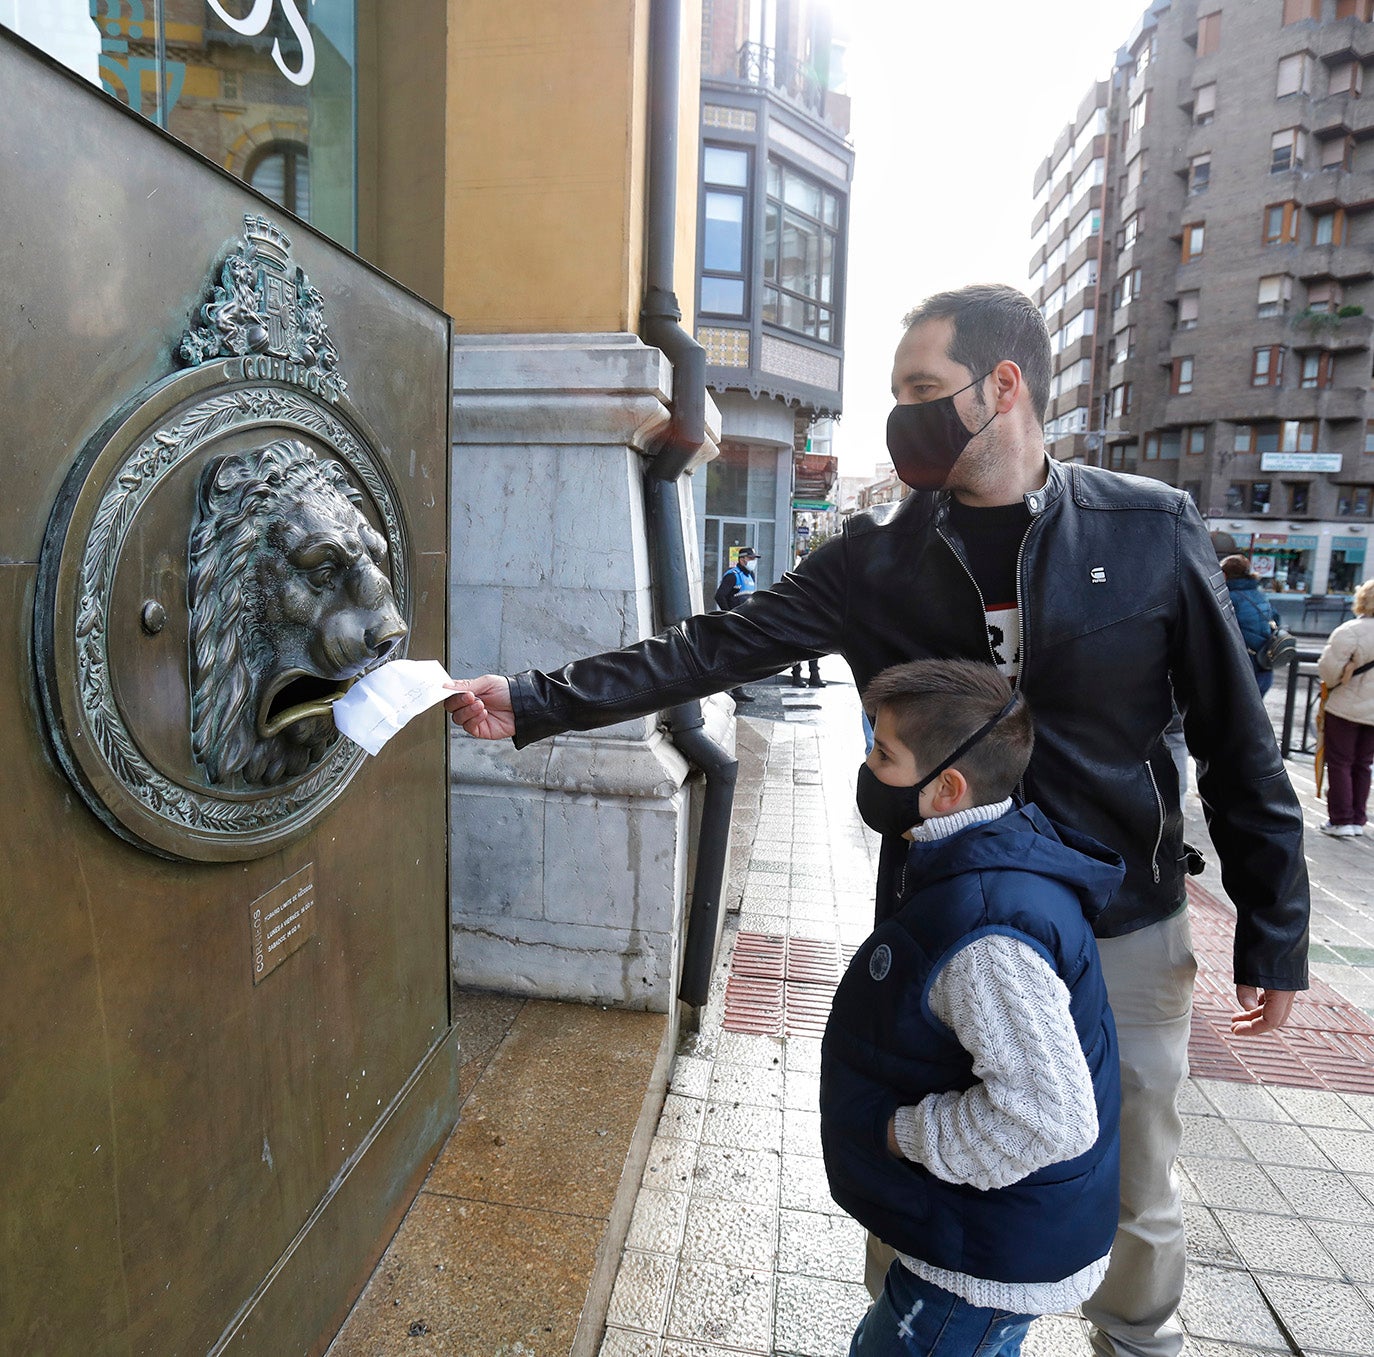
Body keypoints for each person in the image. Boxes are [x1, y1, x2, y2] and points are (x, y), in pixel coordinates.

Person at [446, 283, 1310, 1357]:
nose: (901, 415)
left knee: (1132, 1185)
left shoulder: (1147, 529)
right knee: (932, 1176)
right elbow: (711, 647)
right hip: (948, 930)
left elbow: (1237, 736)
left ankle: (1137, 1341)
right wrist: (533, 697)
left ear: (1004, 387)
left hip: (1121, 921)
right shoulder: (875, 559)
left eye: (921, 390)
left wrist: (1274, 925)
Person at [824, 659, 1123, 1357]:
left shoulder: (986, 931)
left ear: (946, 790)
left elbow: (1047, 1117)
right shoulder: (982, 861)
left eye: (883, 753)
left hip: (979, 1264)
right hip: (983, 1236)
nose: (869, 768)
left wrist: (899, 1132)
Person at [1316, 578, 1374, 838]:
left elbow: (1329, 671)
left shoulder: (1350, 630)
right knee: (1364, 763)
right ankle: (1358, 819)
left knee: (1340, 762)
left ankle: (1341, 819)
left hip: (1345, 706)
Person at [1221, 555, 1278, 697]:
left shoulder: (1228, 599)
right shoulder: (1260, 595)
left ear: (1224, 575)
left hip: (1242, 671)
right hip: (1263, 666)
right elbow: (1275, 620)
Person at [713, 546, 759, 703]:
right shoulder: (732, 576)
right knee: (732, 655)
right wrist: (729, 615)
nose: (753, 562)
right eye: (751, 558)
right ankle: (728, 687)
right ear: (742, 559)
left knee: (741, 656)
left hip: (744, 622)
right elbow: (719, 596)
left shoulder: (750, 575)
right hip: (735, 622)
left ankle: (737, 688)